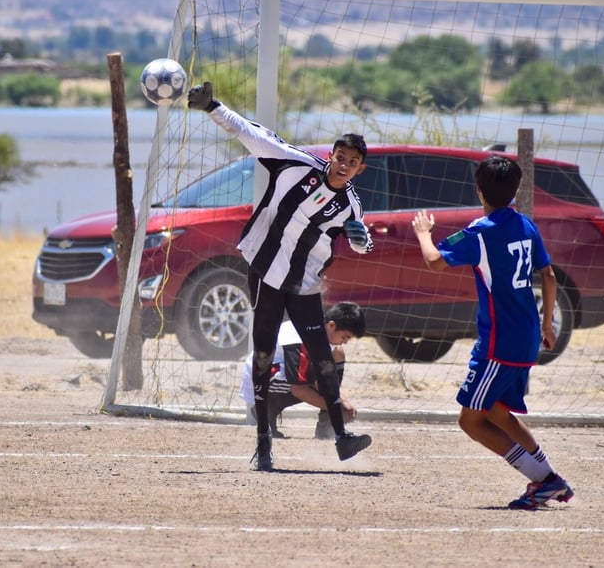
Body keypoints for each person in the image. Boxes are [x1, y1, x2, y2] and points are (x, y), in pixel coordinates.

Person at [187, 81, 373, 471]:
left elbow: (362, 244)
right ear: (332, 155)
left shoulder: (351, 204)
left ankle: (342, 438)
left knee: (323, 354)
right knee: (263, 351)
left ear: (360, 168)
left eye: (352, 162)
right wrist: (213, 106)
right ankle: (263, 443)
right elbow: (251, 134)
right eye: (340, 156)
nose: (344, 165)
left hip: (304, 284)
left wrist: (361, 239)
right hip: (266, 273)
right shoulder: (296, 164)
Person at [412, 154, 573, 510]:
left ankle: (544, 480)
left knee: (470, 419)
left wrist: (424, 233)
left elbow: (434, 261)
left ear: (479, 189)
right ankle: (548, 479)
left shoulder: (480, 231)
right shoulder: (526, 225)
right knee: (498, 411)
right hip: (527, 334)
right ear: (516, 190)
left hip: (499, 343)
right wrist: (547, 324)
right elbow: (547, 275)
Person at [239, 301, 366, 440]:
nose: (345, 342)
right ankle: (267, 409)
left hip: (282, 374)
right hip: (260, 378)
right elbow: (299, 388)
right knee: (310, 381)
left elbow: (326, 381)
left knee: (337, 354)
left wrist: (343, 401)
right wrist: (337, 409)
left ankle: (327, 423)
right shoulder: (302, 338)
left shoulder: (322, 333)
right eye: (344, 337)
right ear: (331, 325)